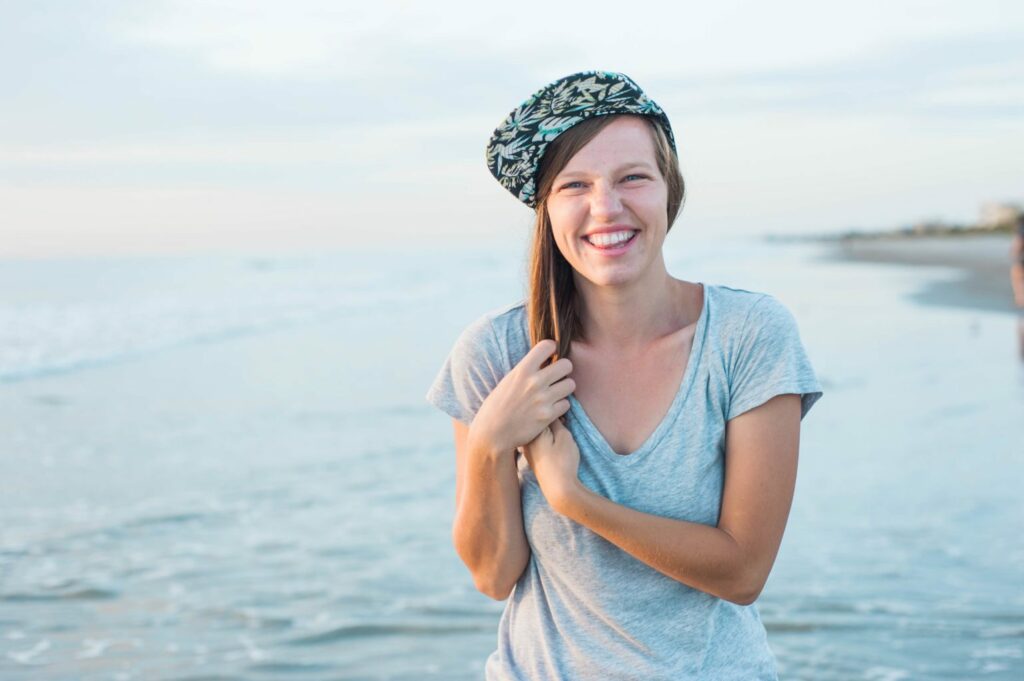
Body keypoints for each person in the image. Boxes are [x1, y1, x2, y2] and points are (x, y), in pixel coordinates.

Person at [425, 71, 824, 680]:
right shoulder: (497, 353)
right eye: (574, 185)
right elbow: (492, 575)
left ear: (670, 189)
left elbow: (743, 572)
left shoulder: (747, 335)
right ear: (546, 208)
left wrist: (573, 499)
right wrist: (487, 444)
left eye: (632, 177)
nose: (605, 208)